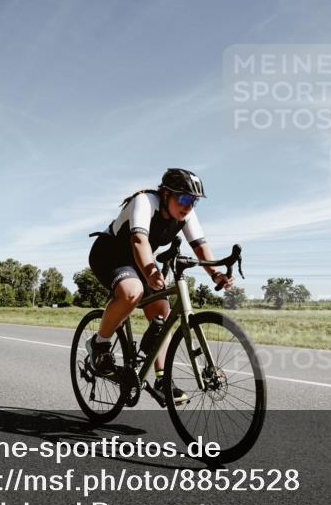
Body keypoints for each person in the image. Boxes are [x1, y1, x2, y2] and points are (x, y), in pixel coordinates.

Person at [86, 168, 234, 404]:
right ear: (165, 194)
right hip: (110, 255)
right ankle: (99, 345)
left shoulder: (186, 215)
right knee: (132, 292)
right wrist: (150, 272)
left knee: (162, 311)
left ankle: (162, 379)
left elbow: (199, 246)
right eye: (184, 198)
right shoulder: (145, 202)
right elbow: (138, 240)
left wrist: (215, 273)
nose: (189, 205)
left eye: (194, 201)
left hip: (140, 260)